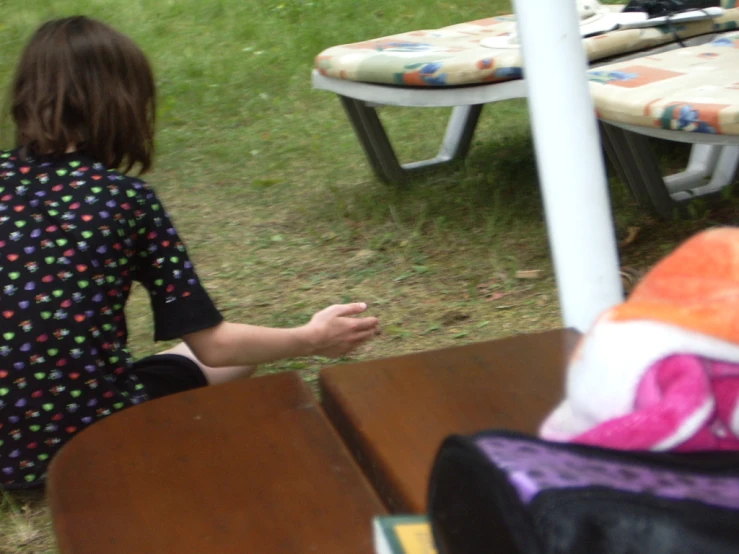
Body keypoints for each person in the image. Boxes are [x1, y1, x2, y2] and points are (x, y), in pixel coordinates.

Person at [0, 16, 380, 489]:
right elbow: (215, 346)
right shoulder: (125, 199)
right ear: (122, 103)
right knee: (235, 359)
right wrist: (312, 337)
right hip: (85, 445)